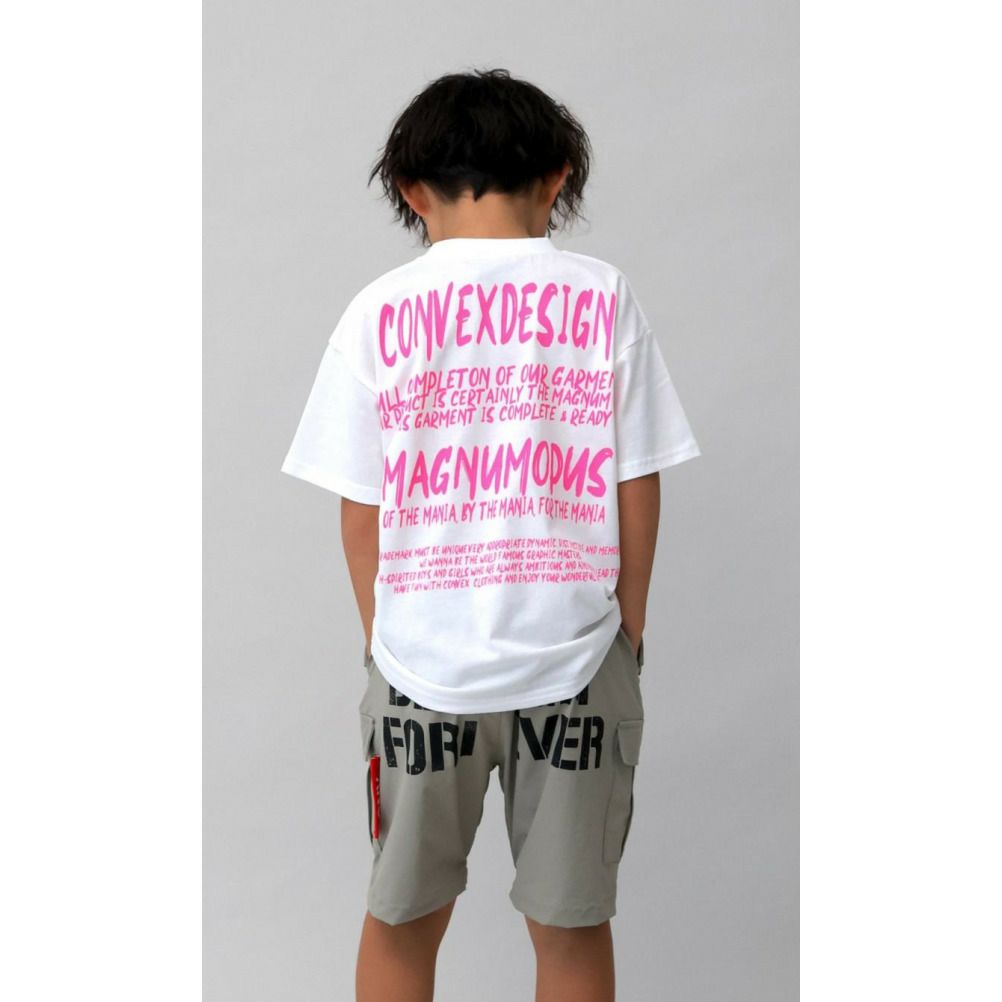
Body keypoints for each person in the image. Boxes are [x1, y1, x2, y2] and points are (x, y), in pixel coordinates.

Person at [281, 67, 700, 1002]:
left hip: (420, 668)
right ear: (557, 179)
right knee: (572, 926)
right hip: (578, 658)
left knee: (401, 919)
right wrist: (626, 633)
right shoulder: (602, 296)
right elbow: (636, 479)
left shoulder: (377, 312)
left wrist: (383, 643)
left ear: (411, 190)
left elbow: (362, 506)